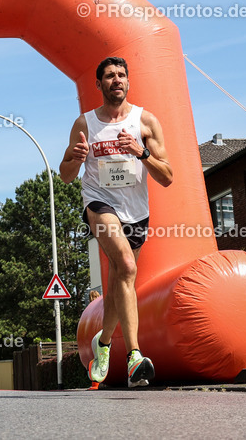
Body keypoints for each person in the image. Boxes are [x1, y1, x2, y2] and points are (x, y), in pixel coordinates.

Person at [59, 56, 173, 388]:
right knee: (125, 264)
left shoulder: (146, 121)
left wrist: (142, 153)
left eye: (122, 75)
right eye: (109, 76)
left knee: (119, 282)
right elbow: (66, 176)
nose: (117, 80)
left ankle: (103, 342)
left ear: (128, 82)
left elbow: (167, 177)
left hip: (136, 211)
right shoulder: (84, 124)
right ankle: (135, 355)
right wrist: (75, 160)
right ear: (99, 84)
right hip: (99, 202)